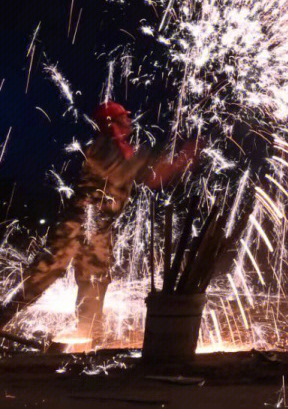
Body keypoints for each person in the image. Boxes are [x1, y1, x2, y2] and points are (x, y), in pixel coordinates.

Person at [0, 102, 197, 340]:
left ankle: (88, 334)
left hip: (100, 228)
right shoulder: (103, 148)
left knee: (95, 281)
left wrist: (181, 159)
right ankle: (3, 316)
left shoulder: (123, 149)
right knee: (43, 275)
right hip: (78, 224)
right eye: (124, 116)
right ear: (110, 123)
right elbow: (142, 172)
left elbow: (152, 178)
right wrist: (175, 158)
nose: (130, 119)